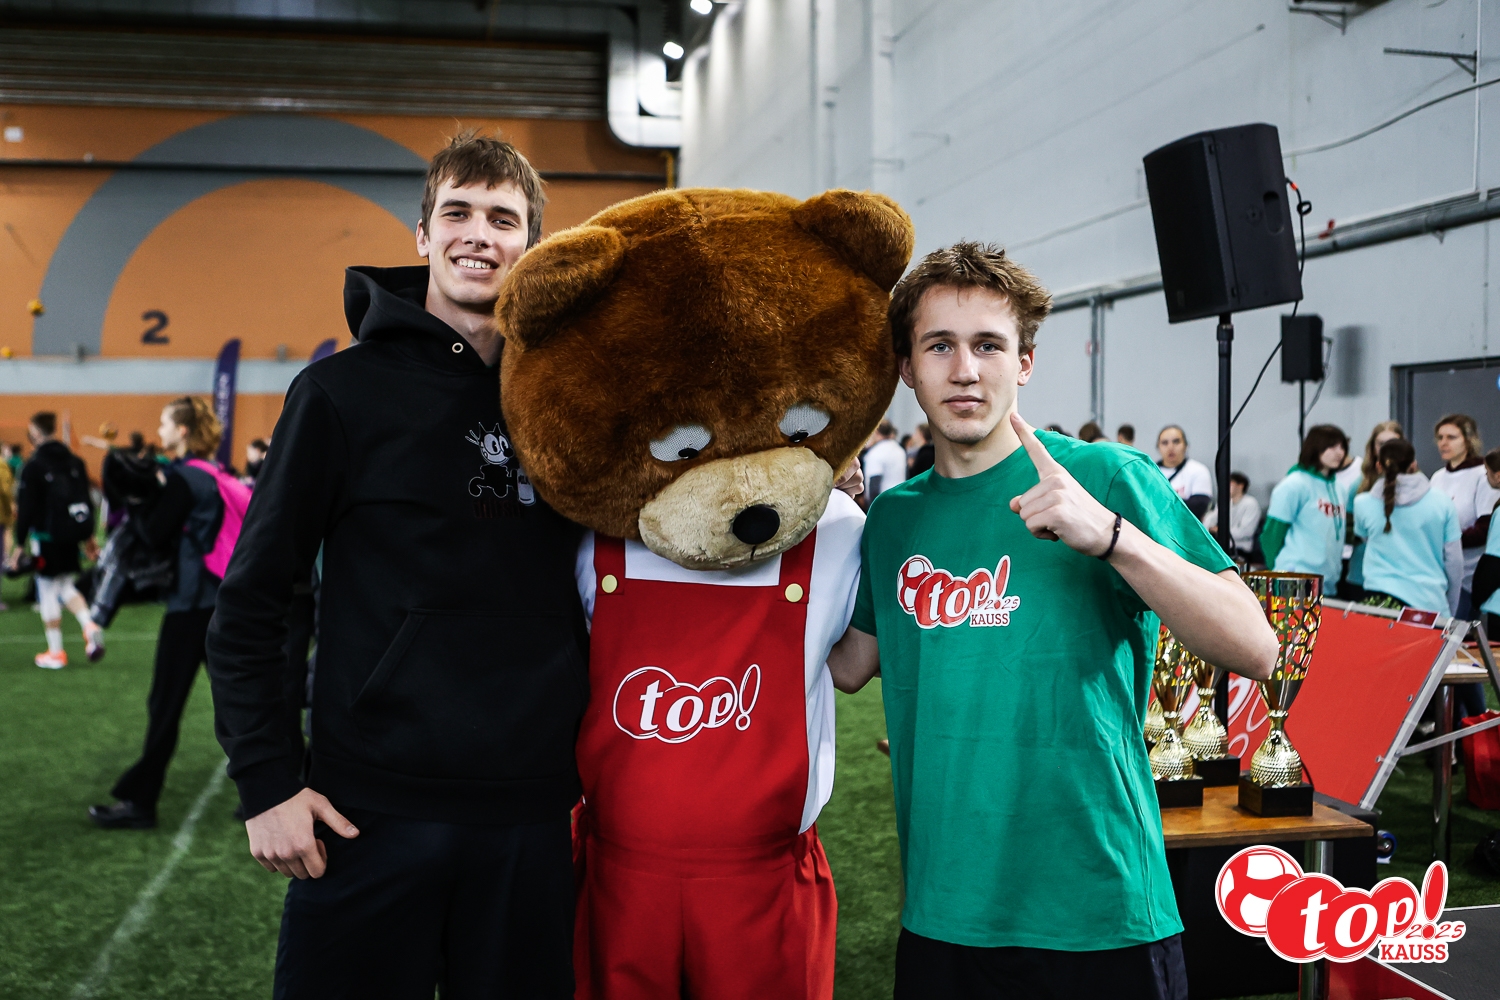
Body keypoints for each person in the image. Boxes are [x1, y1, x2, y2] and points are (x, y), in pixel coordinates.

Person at [824, 241, 1276, 1000]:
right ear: (906, 368)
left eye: (988, 345)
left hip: (1102, 909)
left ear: (1025, 362)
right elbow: (847, 665)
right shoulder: (893, 520)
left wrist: (1112, 537)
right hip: (945, 909)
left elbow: (1256, 647)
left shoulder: (1104, 477)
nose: (965, 370)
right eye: (939, 346)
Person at [205, 131, 581, 998]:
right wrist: (267, 782)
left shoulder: (569, 401)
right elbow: (255, 600)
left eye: (503, 219)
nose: (478, 234)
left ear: (531, 245)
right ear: (422, 235)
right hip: (368, 813)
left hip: (529, 817)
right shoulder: (340, 393)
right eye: (457, 212)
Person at [89, 398, 227, 829]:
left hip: (191, 603)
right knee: (238, 702)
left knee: (165, 705)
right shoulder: (212, 472)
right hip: (215, 599)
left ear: (183, 430)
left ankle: (141, 803)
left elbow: (152, 532)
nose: (161, 429)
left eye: (166, 422)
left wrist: (132, 494)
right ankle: (286, 782)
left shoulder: (184, 478)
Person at [10, 412, 104, 668]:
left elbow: (26, 508)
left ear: (35, 433)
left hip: (46, 537)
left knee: (47, 589)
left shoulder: (33, 466)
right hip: (71, 535)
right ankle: (89, 625)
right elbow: (86, 502)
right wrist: (89, 537)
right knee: (64, 585)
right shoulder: (75, 462)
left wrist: (19, 545)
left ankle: (56, 652)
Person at [1351, 438, 1461, 616]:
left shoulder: (1362, 503)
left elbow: (1365, 538)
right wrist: (1450, 607)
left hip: (1380, 603)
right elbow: (1454, 561)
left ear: (1378, 466)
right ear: (1414, 465)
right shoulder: (1442, 502)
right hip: (1429, 603)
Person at [1260, 424, 1349, 592]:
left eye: (1342, 447)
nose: (1339, 452)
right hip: (1295, 579)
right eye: (1332, 446)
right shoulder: (1294, 485)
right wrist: (1278, 572)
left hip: (1328, 582)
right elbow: (1272, 534)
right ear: (1316, 447)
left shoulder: (1340, 489)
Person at [1429, 414, 1500, 616]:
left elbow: (1484, 530)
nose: (1443, 443)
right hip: (1439, 573)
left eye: (1451, 437)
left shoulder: (1482, 475)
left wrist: (1446, 541)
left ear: (1468, 441)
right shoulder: (1437, 477)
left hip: (1468, 576)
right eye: (1440, 437)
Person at [1345, 421, 1404, 598]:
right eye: (1381, 444)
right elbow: (1347, 530)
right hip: (1362, 573)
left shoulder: (1415, 484)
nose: (1387, 449)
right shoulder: (1359, 485)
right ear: (1373, 448)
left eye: (1393, 443)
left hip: (1402, 576)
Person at [1154, 424, 1213, 518]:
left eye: (1176, 441)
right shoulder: (1149, 472)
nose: (1170, 447)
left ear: (1185, 445)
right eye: (1165, 443)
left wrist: (1157, 504)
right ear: (1158, 447)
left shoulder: (1198, 470)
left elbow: (1198, 507)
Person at [1204, 471, 1260, 561]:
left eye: (1230, 484)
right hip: (1220, 548)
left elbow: (1246, 532)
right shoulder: (1224, 502)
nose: (1226, 487)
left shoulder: (1251, 503)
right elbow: (1211, 520)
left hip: (1240, 550)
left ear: (1240, 486)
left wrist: (1221, 531)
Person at [862, 418, 908, 502]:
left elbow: (874, 486)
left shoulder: (876, 452)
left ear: (875, 431)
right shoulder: (900, 450)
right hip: (900, 498)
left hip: (883, 501)